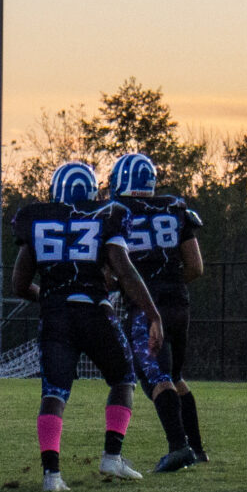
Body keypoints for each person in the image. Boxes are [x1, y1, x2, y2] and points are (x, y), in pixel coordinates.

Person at [11, 160, 164, 492]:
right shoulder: (106, 216)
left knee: (53, 393)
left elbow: (19, 284)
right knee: (123, 378)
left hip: (55, 317)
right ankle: (112, 456)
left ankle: (51, 475)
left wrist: (50, 298)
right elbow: (124, 270)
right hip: (95, 313)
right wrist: (153, 313)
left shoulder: (37, 220)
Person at [106, 152, 208, 470]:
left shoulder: (115, 213)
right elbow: (196, 266)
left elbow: (109, 273)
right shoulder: (175, 209)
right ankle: (197, 449)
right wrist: (169, 283)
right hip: (179, 303)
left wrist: (136, 290)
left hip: (146, 308)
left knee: (156, 377)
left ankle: (179, 447)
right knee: (175, 376)